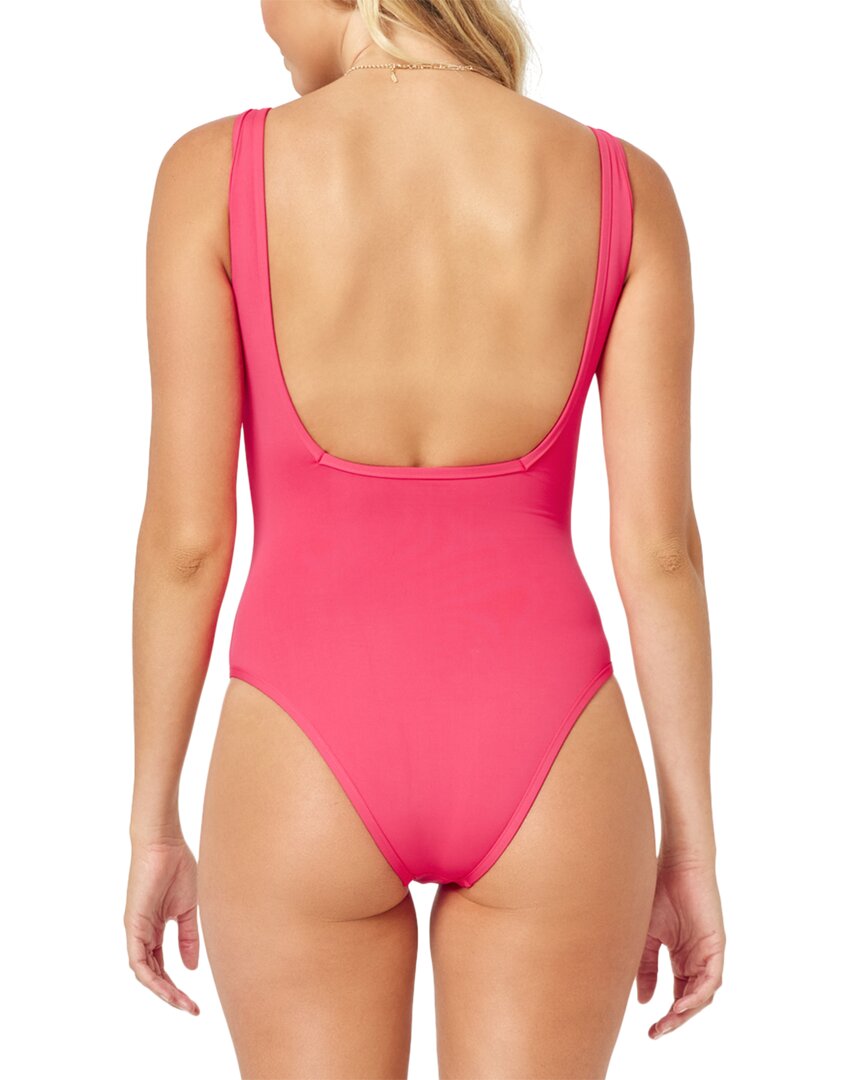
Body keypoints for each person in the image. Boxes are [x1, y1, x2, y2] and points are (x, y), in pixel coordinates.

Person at [124, 1, 725, 1075]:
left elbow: (187, 541)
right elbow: (661, 551)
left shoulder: (212, 176)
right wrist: (690, 844)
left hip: (300, 749)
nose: (260, 18)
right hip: (553, 751)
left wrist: (152, 821)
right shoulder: (623, 186)